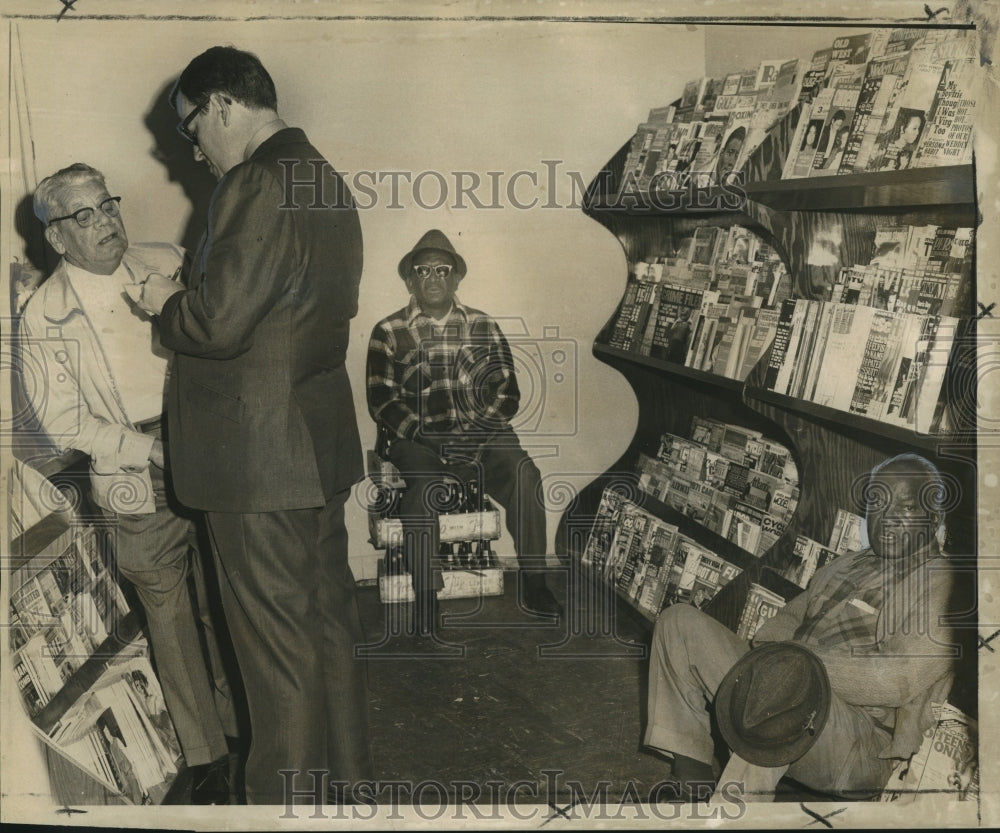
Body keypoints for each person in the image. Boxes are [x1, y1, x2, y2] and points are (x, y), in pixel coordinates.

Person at [131, 46, 372, 804]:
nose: (192, 148)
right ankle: (352, 797)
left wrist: (165, 300)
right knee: (329, 634)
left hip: (257, 464)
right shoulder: (323, 177)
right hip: (316, 452)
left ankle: (284, 815)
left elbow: (219, 320)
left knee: (276, 661)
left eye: (191, 126)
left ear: (224, 107)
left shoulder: (254, 182)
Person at [20, 163, 238, 804]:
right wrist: (151, 450)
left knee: (224, 598)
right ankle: (208, 759)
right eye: (82, 216)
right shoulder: (44, 314)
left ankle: (245, 729)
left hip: (207, 446)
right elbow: (63, 422)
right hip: (130, 475)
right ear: (57, 238)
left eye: (107, 205)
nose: (105, 222)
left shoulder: (166, 258)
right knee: (168, 614)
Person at [644, 453, 957, 801]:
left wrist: (801, 663)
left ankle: (729, 815)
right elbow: (781, 623)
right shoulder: (852, 562)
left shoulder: (944, 584)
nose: (888, 519)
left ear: (934, 518)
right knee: (679, 622)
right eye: (879, 502)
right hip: (791, 687)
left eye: (908, 508)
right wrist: (788, 660)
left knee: (786, 685)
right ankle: (692, 776)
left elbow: (896, 681)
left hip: (861, 742)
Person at [366, 229, 563, 636]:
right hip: (419, 442)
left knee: (526, 474)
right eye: (423, 270)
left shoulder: (483, 325)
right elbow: (382, 401)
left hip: (483, 437)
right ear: (410, 281)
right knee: (420, 496)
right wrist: (426, 437)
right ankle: (426, 601)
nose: (433, 277)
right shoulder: (387, 332)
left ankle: (535, 582)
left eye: (443, 269)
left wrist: (475, 433)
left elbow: (507, 390)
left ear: (456, 278)